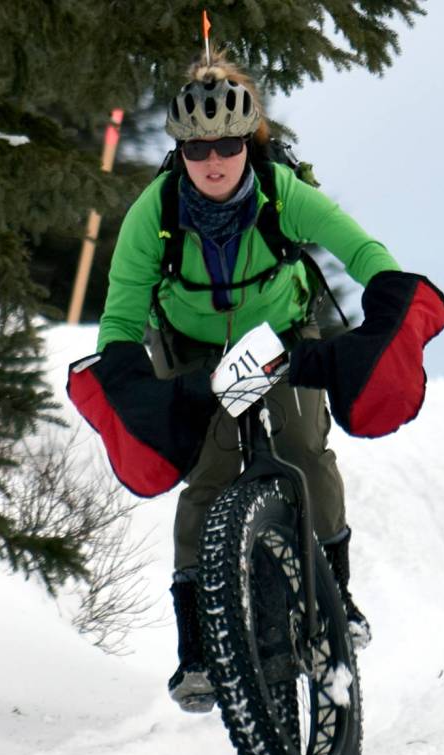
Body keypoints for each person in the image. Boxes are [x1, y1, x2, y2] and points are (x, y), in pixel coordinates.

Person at [96, 54, 406, 713]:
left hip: (281, 337)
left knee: (303, 450)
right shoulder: (156, 212)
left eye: (228, 145)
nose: (214, 161)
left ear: (249, 142)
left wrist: (388, 298)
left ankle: (338, 596)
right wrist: (124, 374)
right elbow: (121, 314)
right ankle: (196, 649)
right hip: (195, 353)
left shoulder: (281, 193)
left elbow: (361, 250)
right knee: (208, 477)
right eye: (198, 148)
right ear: (182, 152)